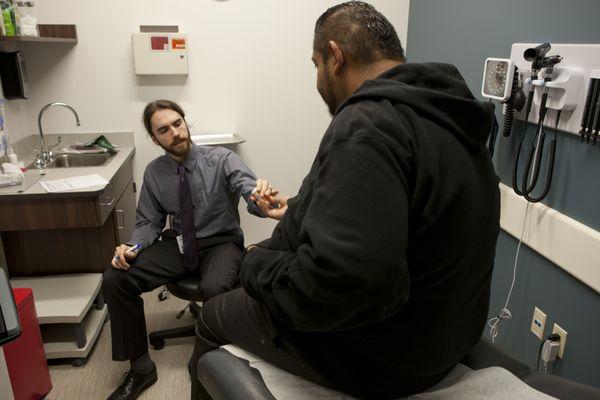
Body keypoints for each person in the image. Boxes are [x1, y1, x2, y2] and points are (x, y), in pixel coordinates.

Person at [191, 2, 500, 399]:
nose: (318, 78)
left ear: (335, 57)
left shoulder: (367, 123)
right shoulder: (444, 115)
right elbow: (403, 207)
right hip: (444, 338)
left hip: (385, 360)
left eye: (316, 64)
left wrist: (255, 263)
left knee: (214, 314)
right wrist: (304, 207)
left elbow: (341, 286)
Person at [102, 99, 273, 400]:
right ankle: (141, 368)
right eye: (164, 130)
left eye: (178, 123)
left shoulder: (221, 159)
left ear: (185, 122)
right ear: (155, 139)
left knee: (216, 286)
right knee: (116, 278)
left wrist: (260, 201)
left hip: (221, 240)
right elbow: (148, 223)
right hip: (180, 242)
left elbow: (250, 193)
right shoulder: (155, 173)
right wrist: (133, 245)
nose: (175, 133)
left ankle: (208, 359)